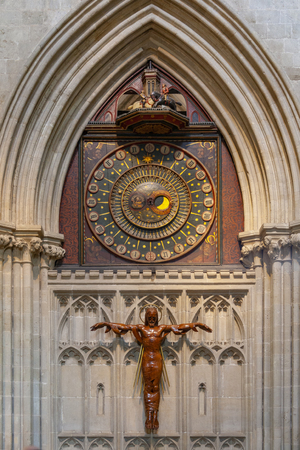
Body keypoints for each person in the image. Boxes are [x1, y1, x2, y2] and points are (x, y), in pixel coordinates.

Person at [91, 306, 212, 431]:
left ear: (157, 317)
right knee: (148, 386)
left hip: (157, 360)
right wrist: (106, 324)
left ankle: (155, 415)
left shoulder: (162, 328)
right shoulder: (141, 328)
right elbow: (124, 327)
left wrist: (197, 324)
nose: (152, 318)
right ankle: (149, 416)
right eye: (150, 316)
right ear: (146, 317)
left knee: (156, 387)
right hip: (146, 360)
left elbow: (180, 327)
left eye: (154, 316)